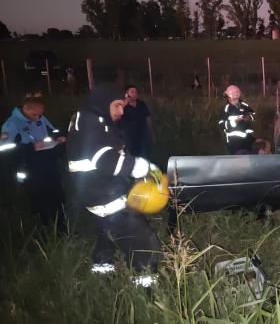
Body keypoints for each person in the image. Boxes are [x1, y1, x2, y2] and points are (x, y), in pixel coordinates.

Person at [66, 83, 161, 285]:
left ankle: (102, 272)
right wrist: (140, 167)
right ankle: (147, 288)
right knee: (143, 240)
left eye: (123, 106)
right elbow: (106, 160)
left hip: (95, 192)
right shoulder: (93, 124)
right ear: (104, 102)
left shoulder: (89, 119)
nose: (121, 111)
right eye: (117, 105)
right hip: (104, 194)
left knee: (107, 231)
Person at [0, 94, 66, 229]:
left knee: (57, 195)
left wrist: (58, 137)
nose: (38, 118)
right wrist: (31, 147)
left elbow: (52, 130)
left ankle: (62, 227)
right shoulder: (12, 124)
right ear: (26, 109)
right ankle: (44, 228)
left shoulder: (40, 117)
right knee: (39, 198)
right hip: (30, 166)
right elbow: (5, 150)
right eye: (35, 114)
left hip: (49, 162)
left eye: (40, 114)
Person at [218, 85, 255, 154]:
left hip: (248, 143)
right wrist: (233, 122)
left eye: (228, 96)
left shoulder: (245, 106)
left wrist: (249, 117)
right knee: (236, 163)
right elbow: (221, 124)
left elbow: (253, 115)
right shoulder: (226, 109)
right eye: (227, 97)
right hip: (234, 144)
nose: (228, 98)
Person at [120, 84, 153, 158]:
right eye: (132, 92)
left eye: (136, 92)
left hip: (142, 135)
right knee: (132, 157)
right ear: (126, 94)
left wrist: (151, 131)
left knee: (144, 156)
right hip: (130, 138)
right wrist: (125, 102)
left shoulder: (141, 104)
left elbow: (148, 117)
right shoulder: (123, 106)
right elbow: (117, 118)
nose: (135, 94)